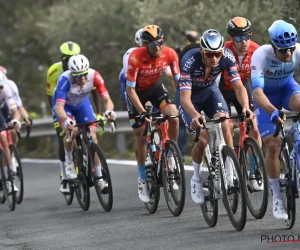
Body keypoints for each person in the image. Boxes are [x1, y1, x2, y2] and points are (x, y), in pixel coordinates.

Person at [178, 29, 255, 205]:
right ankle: (196, 179)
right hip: (190, 98)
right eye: (210, 54)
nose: (214, 58)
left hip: (211, 92)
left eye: (217, 54)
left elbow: (239, 87)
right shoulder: (189, 61)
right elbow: (184, 98)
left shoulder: (227, 56)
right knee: (202, 138)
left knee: (226, 124)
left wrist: (245, 107)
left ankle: (229, 173)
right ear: (202, 52)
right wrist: (196, 116)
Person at [126, 25, 180, 203]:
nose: (157, 47)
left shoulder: (170, 54)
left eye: (160, 43)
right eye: (152, 45)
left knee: (173, 114)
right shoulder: (135, 58)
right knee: (141, 136)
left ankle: (170, 156)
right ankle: (142, 178)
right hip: (137, 94)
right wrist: (142, 112)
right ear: (144, 46)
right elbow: (130, 90)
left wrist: (183, 101)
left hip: (155, 88)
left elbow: (176, 81)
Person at [251, 20, 300, 220]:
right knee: (273, 145)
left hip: (288, 89)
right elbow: (256, 92)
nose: (287, 54)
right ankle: (277, 196)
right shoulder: (261, 55)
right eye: (282, 50)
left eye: (290, 49)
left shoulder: (297, 50)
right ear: (273, 46)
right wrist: (272, 111)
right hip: (266, 99)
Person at [53, 54, 116, 191]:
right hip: (65, 107)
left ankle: (99, 176)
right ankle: (69, 162)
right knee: (73, 131)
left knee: (92, 137)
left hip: (82, 104)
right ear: (72, 74)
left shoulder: (95, 76)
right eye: (78, 76)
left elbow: (106, 99)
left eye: (84, 74)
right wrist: (67, 120)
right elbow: (59, 108)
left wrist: (109, 112)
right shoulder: (64, 80)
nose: (82, 78)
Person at [46, 41, 102, 194]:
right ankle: (64, 176)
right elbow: (50, 96)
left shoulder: (83, 70)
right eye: (66, 58)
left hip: (80, 102)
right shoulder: (54, 71)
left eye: (73, 57)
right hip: (61, 105)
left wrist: (99, 113)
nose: (69, 60)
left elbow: (96, 91)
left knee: (88, 132)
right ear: (61, 58)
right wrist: (59, 118)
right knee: (63, 135)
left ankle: (87, 156)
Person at [219, 17, 262, 191]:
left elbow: (259, 80)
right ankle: (229, 172)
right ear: (231, 38)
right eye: (238, 38)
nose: (244, 42)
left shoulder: (256, 50)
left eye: (247, 37)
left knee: (254, 129)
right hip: (222, 88)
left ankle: (254, 172)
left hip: (242, 87)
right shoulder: (222, 51)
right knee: (227, 126)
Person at [176, 30, 200, 162]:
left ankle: (181, 154)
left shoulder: (184, 50)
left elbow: (178, 71)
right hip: (204, 87)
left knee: (181, 123)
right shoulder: (203, 46)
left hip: (187, 88)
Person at [0, 71, 22, 193]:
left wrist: (15, 120)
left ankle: (8, 181)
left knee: (4, 138)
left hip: (2, 109)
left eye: (1, 87)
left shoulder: (6, 89)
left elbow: (15, 110)